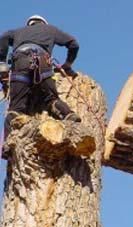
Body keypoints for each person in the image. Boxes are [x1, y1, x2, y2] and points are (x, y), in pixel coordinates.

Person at [0, 15, 81, 159]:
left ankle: (7, 144)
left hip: (20, 64)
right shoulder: (50, 30)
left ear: (30, 24)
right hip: (43, 64)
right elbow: (73, 43)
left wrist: (2, 64)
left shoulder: (18, 32)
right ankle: (69, 115)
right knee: (51, 99)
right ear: (43, 23)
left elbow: (4, 37)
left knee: (15, 108)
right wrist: (68, 64)